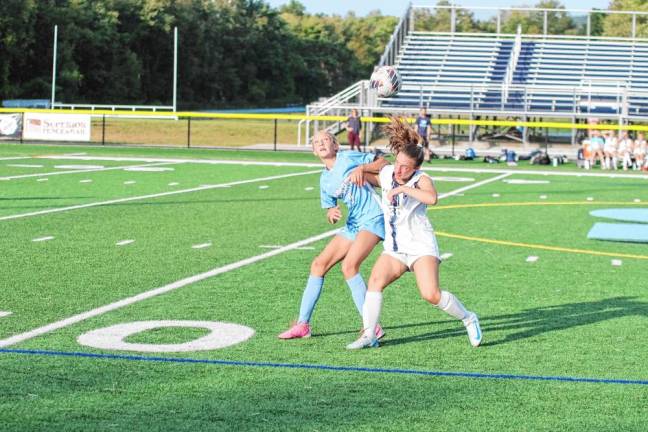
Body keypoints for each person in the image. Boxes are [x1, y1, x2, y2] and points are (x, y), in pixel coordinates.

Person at [346, 117, 482, 349]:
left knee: (430, 294)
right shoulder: (389, 172)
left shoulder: (421, 179)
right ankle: (369, 334)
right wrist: (358, 172)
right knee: (375, 282)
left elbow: (432, 198)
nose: (398, 169)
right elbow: (374, 173)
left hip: (420, 246)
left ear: (416, 168)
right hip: (395, 249)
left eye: (405, 167)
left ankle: (468, 318)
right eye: (397, 163)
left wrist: (403, 188)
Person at [278, 130, 388, 339]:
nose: (320, 143)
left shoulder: (347, 157)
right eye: (316, 142)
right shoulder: (324, 180)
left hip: (374, 218)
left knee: (349, 266)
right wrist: (331, 212)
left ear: (335, 145)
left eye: (325, 140)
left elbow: (382, 163)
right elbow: (330, 206)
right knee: (318, 265)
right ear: (313, 151)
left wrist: (362, 168)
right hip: (354, 223)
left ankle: (372, 326)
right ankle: (303, 325)